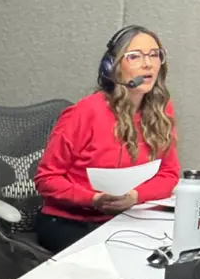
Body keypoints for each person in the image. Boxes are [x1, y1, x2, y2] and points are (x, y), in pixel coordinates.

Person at [34, 25, 180, 253]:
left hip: (127, 217)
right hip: (70, 221)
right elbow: (46, 179)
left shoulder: (161, 111)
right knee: (120, 258)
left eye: (154, 54)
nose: (148, 64)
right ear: (112, 68)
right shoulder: (84, 112)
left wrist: (135, 196)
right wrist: (93, 199)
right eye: (134, 57)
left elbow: (169, 173)